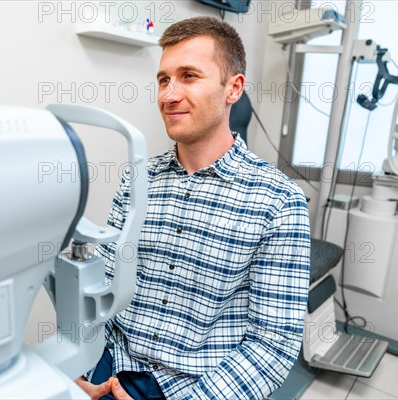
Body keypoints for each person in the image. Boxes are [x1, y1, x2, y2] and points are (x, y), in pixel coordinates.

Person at [76, 16, 310, 400]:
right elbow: (102, 286)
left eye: (189, 76)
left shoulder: (279, 202)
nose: (169, 95)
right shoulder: (139, 178)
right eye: (164, 79)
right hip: (106, 367)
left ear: (233, 88)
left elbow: (273, 344)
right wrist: (79, 365)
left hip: (191, 388)